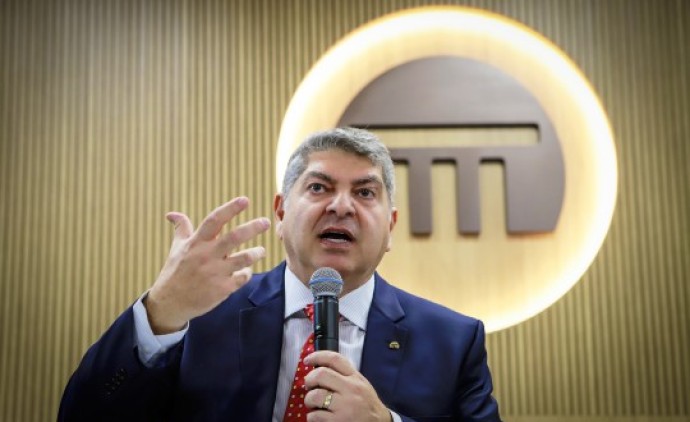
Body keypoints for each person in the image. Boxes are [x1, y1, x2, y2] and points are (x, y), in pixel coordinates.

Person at [59, 127, 502, 421]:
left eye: (365, 192)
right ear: (282, 212)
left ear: (390, 226)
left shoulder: (453, 341)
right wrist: (161, 312)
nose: (341, 206)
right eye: (319, 187)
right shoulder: (200, 314)